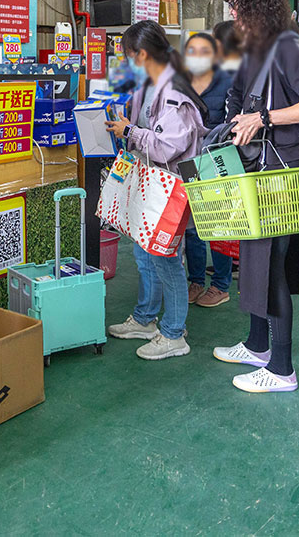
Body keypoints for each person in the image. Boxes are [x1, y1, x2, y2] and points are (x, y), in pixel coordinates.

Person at [213, 0, 299, 393]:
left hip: (279, 176)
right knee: (255, 259)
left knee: (275, 266)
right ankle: (257, 344)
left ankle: (282, 369)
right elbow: (236, 97)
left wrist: (263, 118)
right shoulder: (257, 46)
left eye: (235, 3)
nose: (231, 13)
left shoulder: (288, 44)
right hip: (256, 171)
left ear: (255, 1)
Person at [105, 20, 206, 358]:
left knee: (166, 261)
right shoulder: (150, 83)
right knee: (144, 253)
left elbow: (166, 146)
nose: (126, 62)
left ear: (143, 53)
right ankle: (146, 319)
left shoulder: (174, 89)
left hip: (171, 187)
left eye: (128, 55)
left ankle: (174, 333)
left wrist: (130, 131)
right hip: (152, 183)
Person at [183, 32, 235, 306]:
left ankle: (220, 285)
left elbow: (233, 123)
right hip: (188, 161)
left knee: (218, 224)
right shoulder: (180, 84)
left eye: (205, 51)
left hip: (217, 160)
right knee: (191, 226)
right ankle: (195, 281)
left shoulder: (228, 83)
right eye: (192, 51)